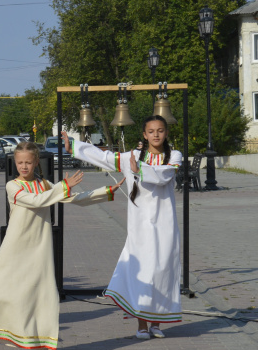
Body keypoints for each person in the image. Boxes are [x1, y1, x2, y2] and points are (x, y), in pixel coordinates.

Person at [0, 142, 121, 350]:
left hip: (39, 248)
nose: (24, 166)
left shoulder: (46, 185)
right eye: (20, 162)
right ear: (14, 162)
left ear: (36, 162)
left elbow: (75, 198)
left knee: (45, 295)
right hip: (13, 249)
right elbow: (36, 201)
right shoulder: (12, 186)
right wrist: (63, 186)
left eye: (28, 162)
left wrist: (106, 192)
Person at [64, 117, 183, 338]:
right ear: (144, 135)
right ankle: (142, 324)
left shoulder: (174, 156)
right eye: (151, 131)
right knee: (144, 271)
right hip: (140, 224)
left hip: (165, 223)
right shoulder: (131, 157)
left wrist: (140, 169)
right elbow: (105, 158)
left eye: (160, 130)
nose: (156, 135)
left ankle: (157, 322)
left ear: (166, 133)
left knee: (163, 270)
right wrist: (75, 146)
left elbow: (164, 175)